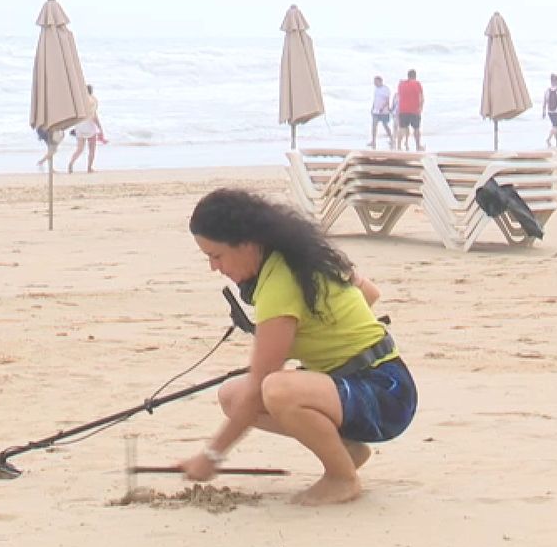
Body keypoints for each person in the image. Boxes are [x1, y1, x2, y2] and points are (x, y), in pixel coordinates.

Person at [178, 188, 418, 505]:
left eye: (216, 255)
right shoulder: (300, 253)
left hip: (385, 394)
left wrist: (211, 455)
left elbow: (260, 385)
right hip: (361, 383)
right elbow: (369, 293)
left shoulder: (281, 281)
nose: (214, 267)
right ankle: (344, 450)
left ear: (247, 244)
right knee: (231, 396)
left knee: (275, 389)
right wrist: (325, 343)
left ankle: (342, 478)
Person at [65, 84, 105, 174]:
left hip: (79, 127)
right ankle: (89, 168)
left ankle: (71, 163)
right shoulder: (93, 101)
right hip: (90, 127)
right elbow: (94, 117)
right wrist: (100, 128)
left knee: (79, 149)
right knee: (92, 150)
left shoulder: (79, 102)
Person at [394, 69, 425, 151]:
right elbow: (421, 97)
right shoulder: (417, 83)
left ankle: (399, 146)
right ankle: (418, 146)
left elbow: (399, 95)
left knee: (402, 128)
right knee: (416, 128)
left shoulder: (401, 84)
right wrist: (421, 107)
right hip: (414, 109)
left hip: (403, 109)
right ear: (415, 76)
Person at [368, 75, 394, 149]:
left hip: (384, 111)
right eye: (374, 82)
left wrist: (382, 108)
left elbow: (387, 100)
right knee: (374, 126)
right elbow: (375, 99)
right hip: (376, 111)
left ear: (380, 81)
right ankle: (373, 141)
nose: (374, 83)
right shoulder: (376, 89)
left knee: (385, 125)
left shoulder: (385, 89)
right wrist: (372, 107)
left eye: (376, 82)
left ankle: (392, 139)